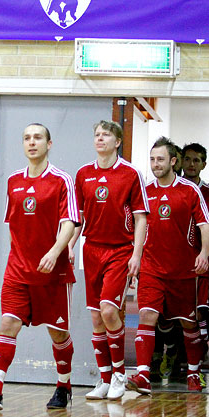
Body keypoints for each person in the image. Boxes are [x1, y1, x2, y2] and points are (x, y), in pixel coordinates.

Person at [0, 123, 78, 411]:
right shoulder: (13, 181)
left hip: (53, 273)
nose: (31, 142)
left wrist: (54, 252)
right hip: (18, 271)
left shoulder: (61, 180)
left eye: (37, 138)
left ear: (49, 143)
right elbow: (13, 226)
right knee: (8, 323)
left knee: (57, 333)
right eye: (26, 138)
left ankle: (64, 386)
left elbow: (69, 222)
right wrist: (19, 256)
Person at [126, 137, 209, 394]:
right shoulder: (144, 190)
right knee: (147, 316)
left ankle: (194, 372)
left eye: (160, 159)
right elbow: (136, 228)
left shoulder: (189, 190)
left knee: (189, 323)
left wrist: (204, 253)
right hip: (152, 268)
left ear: (173, 161)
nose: (155, 164)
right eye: (152, 159)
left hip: (184, 270)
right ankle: (142, 375)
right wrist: (136, 258)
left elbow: (205, 225)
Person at [71, 120, 148, 401]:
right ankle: (104, 380)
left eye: (106, 135)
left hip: (120, 250)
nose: (100, 138)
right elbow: (76, 217)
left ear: (117, 142)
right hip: (91, 249)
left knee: (108, 310)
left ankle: (119, 375)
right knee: (95, 317)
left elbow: (141, 217)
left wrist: (136, 255)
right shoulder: (83, 174)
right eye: (97, 134)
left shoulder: (130, 174)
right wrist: (69, 245)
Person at [181, 143, 209, 373]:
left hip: (200, 265)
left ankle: (195, 362)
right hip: (172, 264)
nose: (191, 164)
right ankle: (166, 356)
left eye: (196, 160)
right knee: (166, 316)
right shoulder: (167, 189)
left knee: (198, 313)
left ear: (204, 164)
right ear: (178, 161)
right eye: (187, 159)